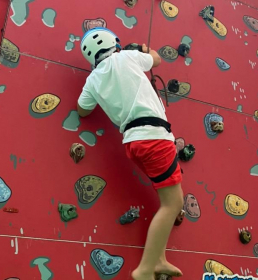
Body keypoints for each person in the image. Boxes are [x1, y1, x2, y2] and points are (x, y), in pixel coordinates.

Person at [76, 27, 184, 280]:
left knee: (167, 198)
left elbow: (82, 110)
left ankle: (158, 259)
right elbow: (156, 59)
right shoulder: (126, 57)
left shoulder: (92, 80)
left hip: (134, 143)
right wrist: (143, 51)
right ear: (115, 43)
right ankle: (145, 269)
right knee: (173, 203)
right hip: (154, 137)